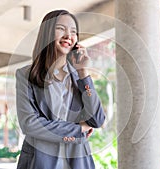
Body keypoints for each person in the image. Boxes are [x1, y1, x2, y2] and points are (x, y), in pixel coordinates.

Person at [15, 9, 106, 169]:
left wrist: (83, 73)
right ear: (47, 33)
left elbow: (96, 120)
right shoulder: (25, 75)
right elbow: (29, 124)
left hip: (77, 161)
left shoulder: (79, 75)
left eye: (73, 31)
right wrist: (78, 129)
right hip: (40, 160)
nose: (68, 35)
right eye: (61, 29)